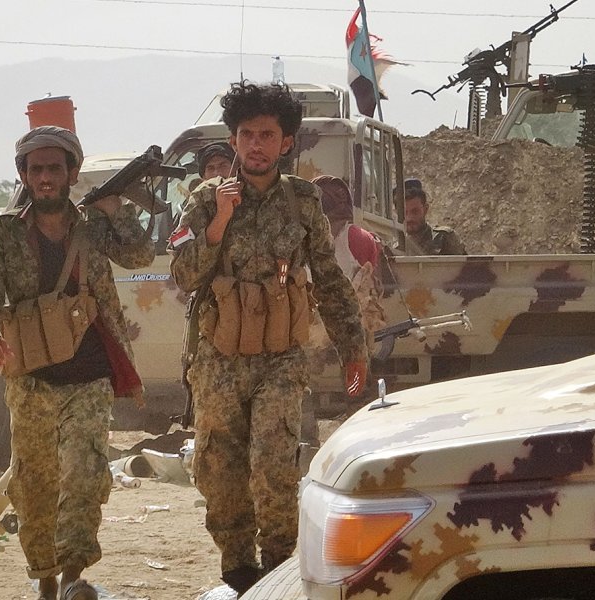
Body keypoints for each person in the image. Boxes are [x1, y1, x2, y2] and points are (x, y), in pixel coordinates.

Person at [170, 82, 367, 595]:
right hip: (219, 357)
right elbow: (184, 276)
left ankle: (278, 567)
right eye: (246, 134)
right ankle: (237, 569)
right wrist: (219, 223)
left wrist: (353, 347)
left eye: (266, 135)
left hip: (280, 357)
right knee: (219, 467)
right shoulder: (204, 200)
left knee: (274, 460)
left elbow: (328, 277)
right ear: (234, 140)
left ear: (286, 142)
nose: (255, 144)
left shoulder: (303, 201)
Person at [0, 126, 155, 600]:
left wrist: (117, 209)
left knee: (85, 472)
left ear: (72, 173)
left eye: (55, 168)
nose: (46, 177)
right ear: (24, 176)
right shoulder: (6, 233)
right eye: (37, 170)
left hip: (89, 373)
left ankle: (73, 578)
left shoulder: (93, 225)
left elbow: (140, 255)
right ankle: (47, 580)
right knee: (34, 484)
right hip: (31, 377)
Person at [313, 175, 388, 353]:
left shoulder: (301, 237)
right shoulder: (360, 238)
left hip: (312, 340)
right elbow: (371, 289)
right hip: (352, 340)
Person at [398, 177, 467, 256]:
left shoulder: (443, 238)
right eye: (404, 213)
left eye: (415, 211)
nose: (409, 218)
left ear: (425, 209)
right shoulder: (396, 248)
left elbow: (466, 263)